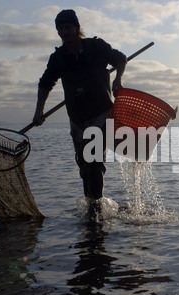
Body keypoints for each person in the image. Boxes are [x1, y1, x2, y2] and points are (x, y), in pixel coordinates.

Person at [33, 9, 127, 204]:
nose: (64, 32)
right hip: (77, 118)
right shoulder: (59, 58)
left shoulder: (96, 47)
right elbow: (45, 84)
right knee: (85, 166)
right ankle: (92, 205)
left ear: (76, 28)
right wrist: (39, 112)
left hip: (101, 114)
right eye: (60, 29)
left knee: (94, 162)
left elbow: (120, 58)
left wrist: (118, 78)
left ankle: (95, 208)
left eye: (67, 27)